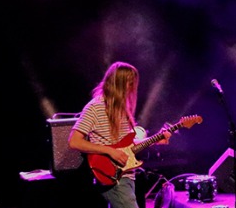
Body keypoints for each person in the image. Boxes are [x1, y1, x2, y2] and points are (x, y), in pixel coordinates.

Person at [69, 61, 171, 208]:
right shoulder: (95, 107)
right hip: (112, 175)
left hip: (126, 174)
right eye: (129, 83)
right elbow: (74, 141)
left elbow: (128, 144)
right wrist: (110, 151)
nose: (132, 87)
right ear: (118, 83)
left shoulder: (122, 108)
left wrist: (154, 140)